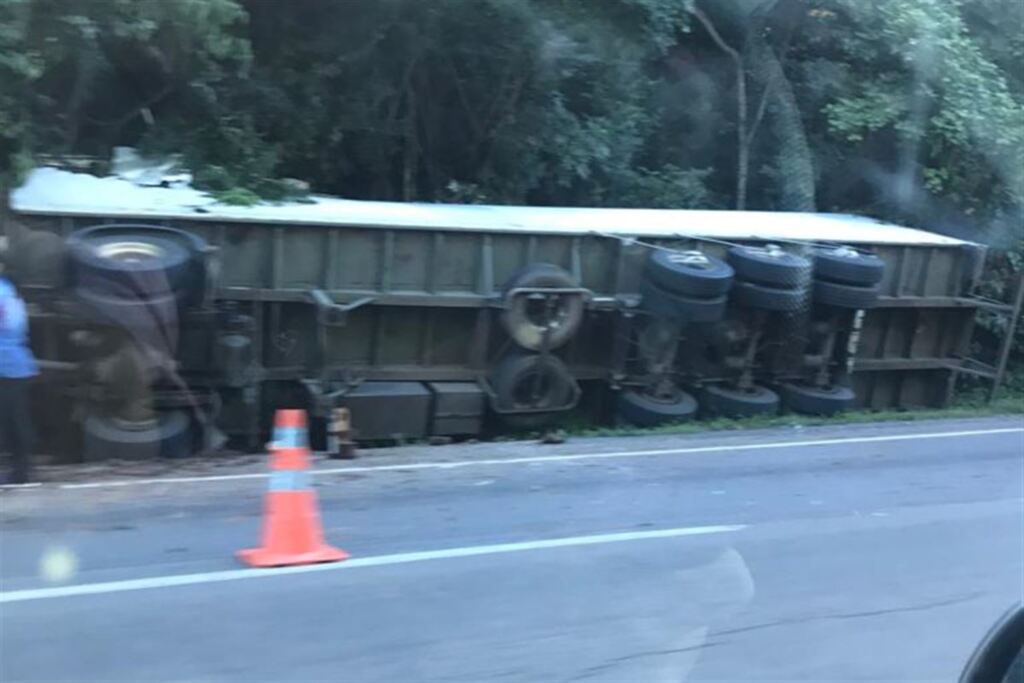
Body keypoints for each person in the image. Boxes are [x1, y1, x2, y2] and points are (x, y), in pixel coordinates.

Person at [0, 270, 37, 484]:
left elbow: (10, 328)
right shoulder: (10, 293)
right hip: (15, 364)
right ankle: (21, 469)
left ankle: (21, 470)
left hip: (8, 364)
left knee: (12, 420)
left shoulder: (4, 293)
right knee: (15, 419)